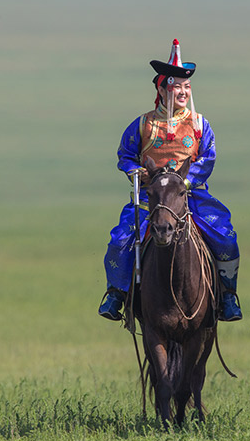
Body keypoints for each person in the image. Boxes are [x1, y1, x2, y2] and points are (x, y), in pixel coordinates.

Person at [98, 39, 242, 322]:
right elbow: (125, 154)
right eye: (177, 87)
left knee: (226, 237)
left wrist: (186, 183)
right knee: (121, 239)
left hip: (190, 195)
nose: (184, 93)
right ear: (162, 89)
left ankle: (227, 296)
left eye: (187, 88)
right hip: (151, 197)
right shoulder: (143, 124)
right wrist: (134, 171)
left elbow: (208, 158)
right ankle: (116, 293)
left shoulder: (200, 124)